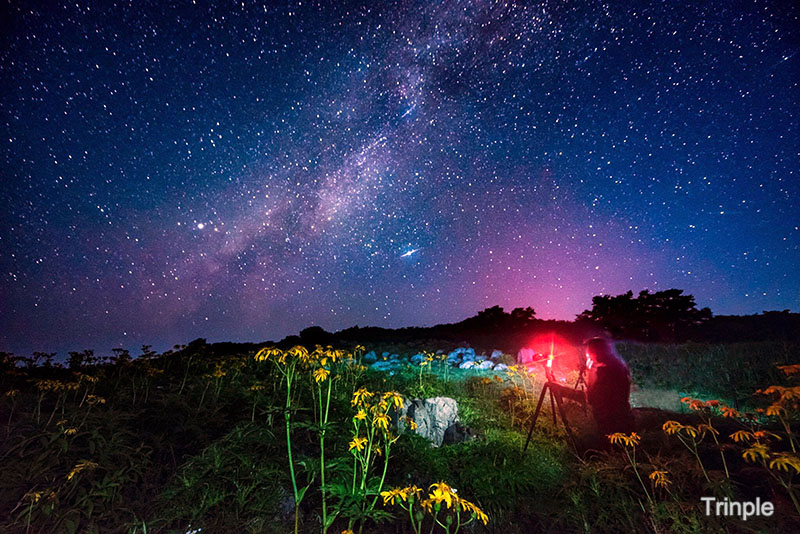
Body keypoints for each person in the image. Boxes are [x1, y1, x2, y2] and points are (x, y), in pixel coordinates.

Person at [583, 337, 636, 436]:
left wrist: (591, 372)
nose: (588, 356)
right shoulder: (616, 365)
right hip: (621, 418)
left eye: (589, 352)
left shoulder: (606, 371)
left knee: (612, 448)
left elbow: (592, 398)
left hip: (612, 423)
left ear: (597, 352)